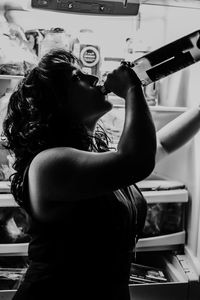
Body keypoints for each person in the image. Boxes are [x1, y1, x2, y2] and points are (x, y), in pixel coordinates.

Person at [3, 48, 157, 300]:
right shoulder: (48, 164)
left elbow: (159, 146)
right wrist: (132, 88)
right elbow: (137, 160)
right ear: (56, 103)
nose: (94, 80)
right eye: (77, 78)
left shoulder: (96, 152)